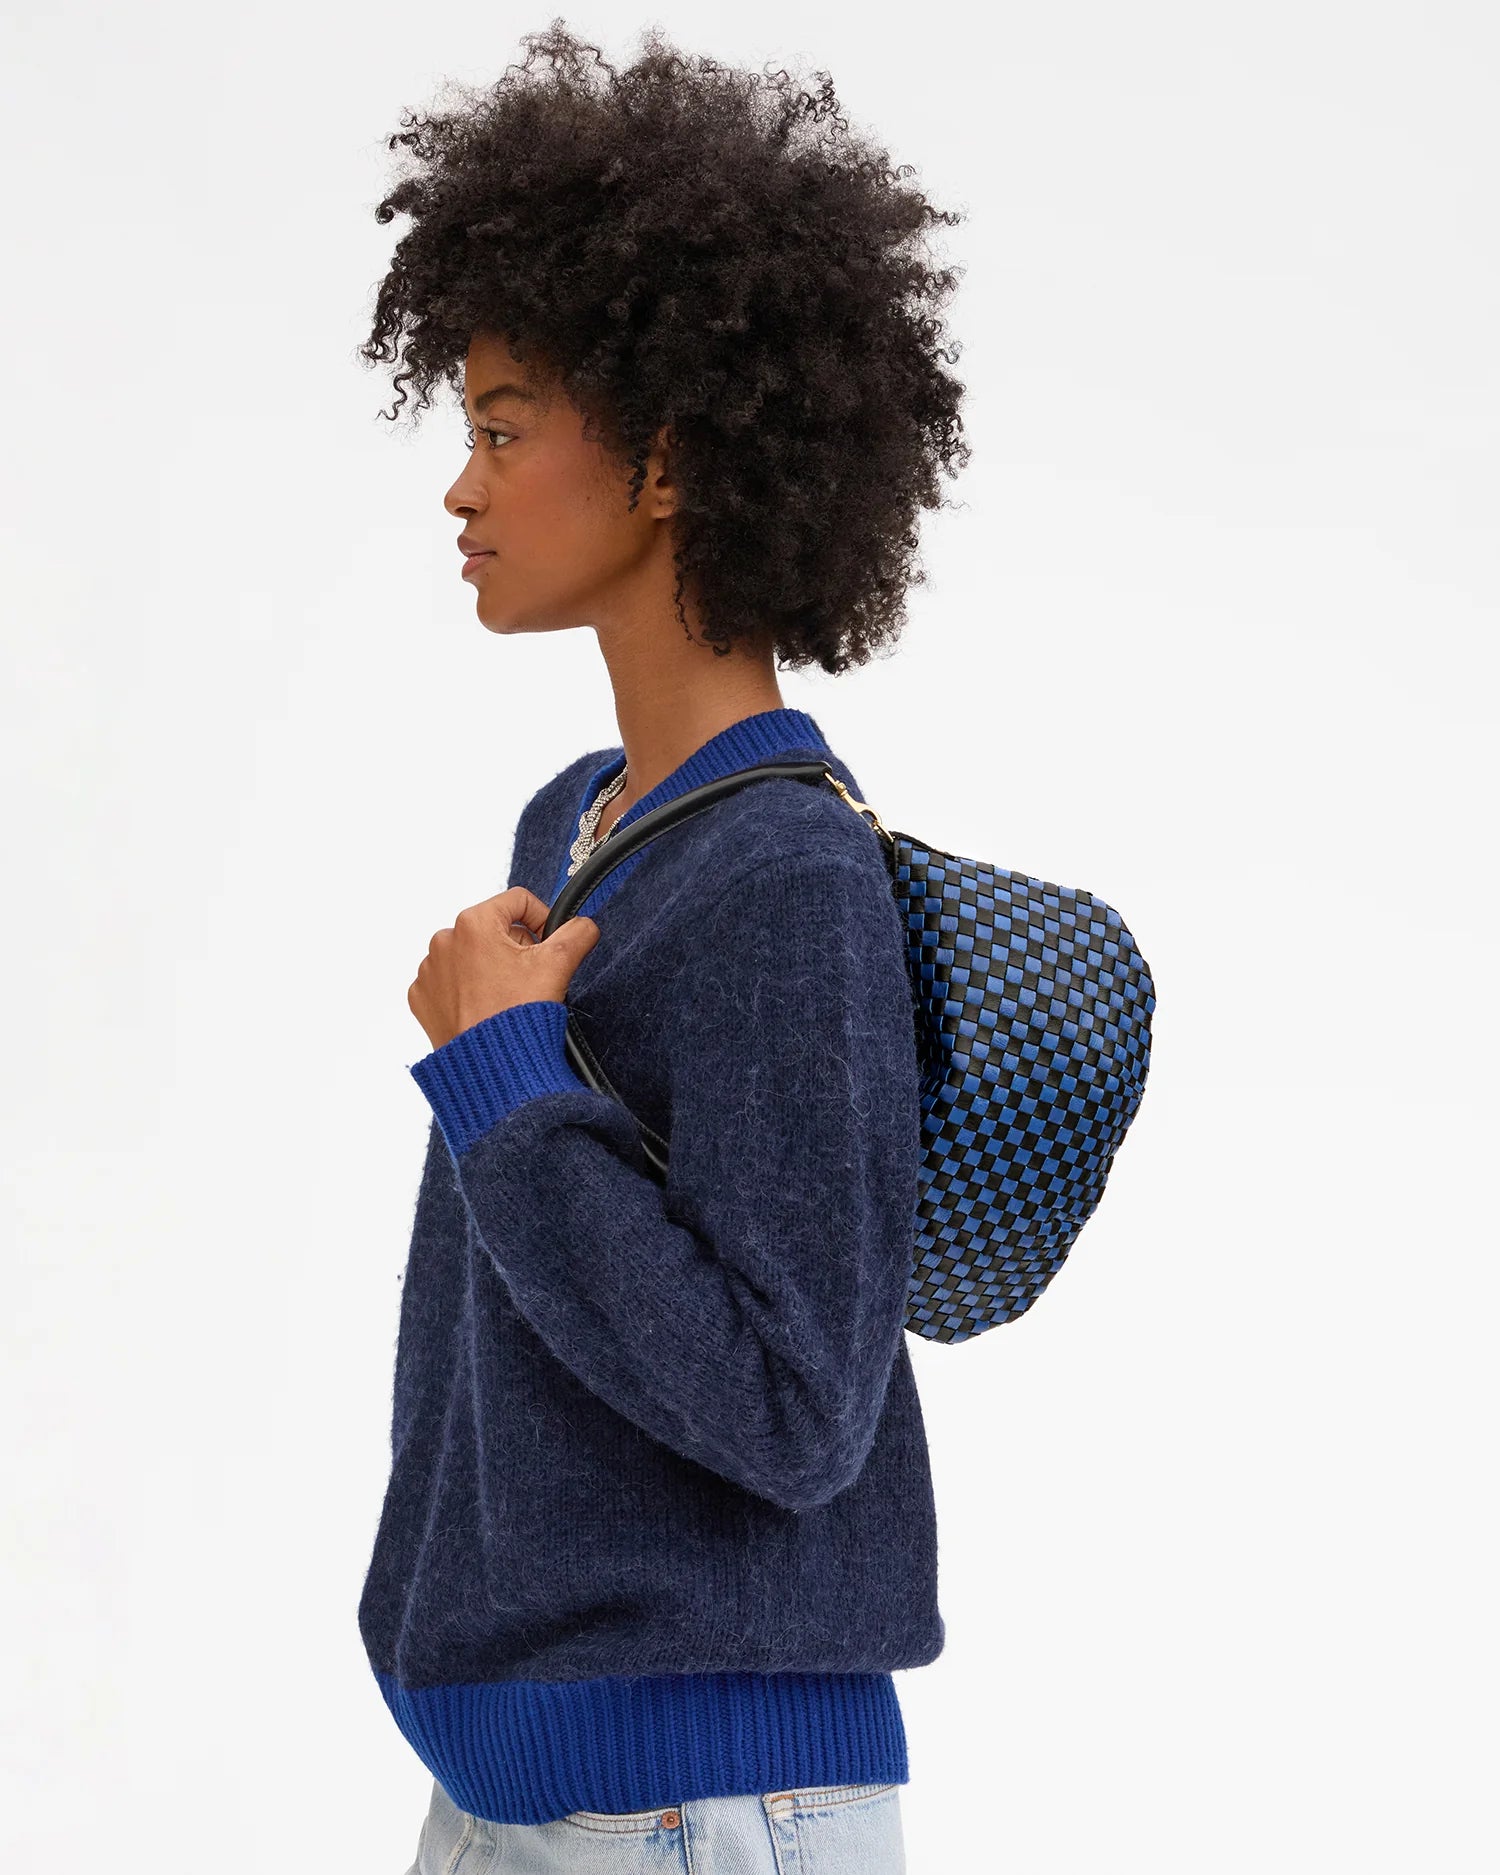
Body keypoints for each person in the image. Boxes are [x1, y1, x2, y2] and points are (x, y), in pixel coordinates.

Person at [355, 23, 970, 1872]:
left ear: (672, 461)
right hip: (514, 1787)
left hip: (706, 1808)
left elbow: (794, 1409)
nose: (461, 488)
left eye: (501, 429)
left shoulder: (787, 876)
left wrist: (505, 1077)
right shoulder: (578, 820)